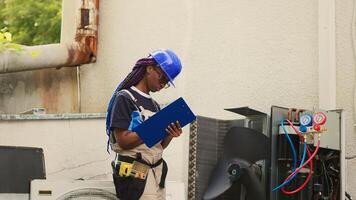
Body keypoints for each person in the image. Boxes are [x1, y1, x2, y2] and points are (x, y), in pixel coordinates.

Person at [105, 49, 183, 200]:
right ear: (149, 68)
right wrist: (154, 127)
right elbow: (124, 141)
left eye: (167, 82)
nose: (163, 83)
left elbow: (155, 146)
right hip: (136, 174)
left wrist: (169, 134)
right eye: (163, 77)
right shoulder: (125, 98)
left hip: (156, 174)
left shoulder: (155, 106)